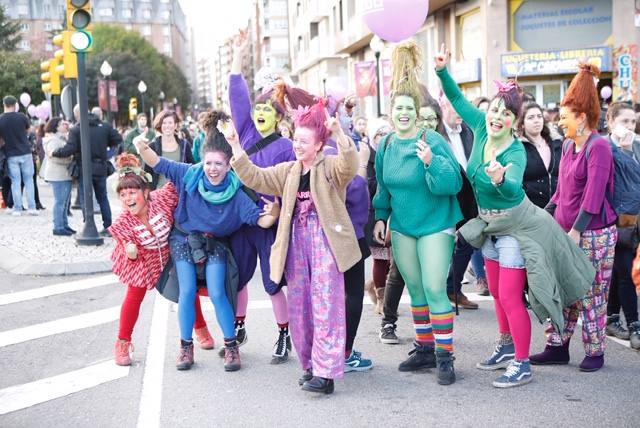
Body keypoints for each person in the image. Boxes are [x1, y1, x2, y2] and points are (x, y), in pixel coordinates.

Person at [435, 45, 595, 387]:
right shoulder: (479, 127)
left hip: (516, 226)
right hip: (490, 225)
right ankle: (506, 346)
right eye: (494, 110)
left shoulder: (514, 151)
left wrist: (500, 178)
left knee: (509, 295)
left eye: (505, 114)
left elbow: (513, 189)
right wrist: (442, 71)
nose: (496, 117)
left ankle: (522, 363)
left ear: (514, 121)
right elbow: (456, 99)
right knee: (494, 290)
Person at [230, 100, 360, 395]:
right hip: (296, 242)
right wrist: (237, 148)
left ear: (318, 144)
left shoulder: (329, 167)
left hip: (326, 241)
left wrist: (340, 134)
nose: (297, 146)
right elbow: (256, 177)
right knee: (300, 307)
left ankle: (326, 374)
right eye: (295, 140)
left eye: (304, 141)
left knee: (326, 305)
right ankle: (311, 365)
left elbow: (349, 165)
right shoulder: (288, 170)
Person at [134, 111, 280, 372]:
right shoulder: (189, 174)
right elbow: (157, 163)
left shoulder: (236, 193)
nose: (212, 169)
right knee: (187, 291)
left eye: (219, 165)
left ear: (228, 166)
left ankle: (231, 346)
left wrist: (275, 213)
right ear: (202, 162)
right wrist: (142, 147)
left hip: (215, 244)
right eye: (208, 163)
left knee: (217, 292)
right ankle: (185, 347)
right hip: (184, 239)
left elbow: (260, 220)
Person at [374, 41, 463, 385]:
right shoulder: (385, 145)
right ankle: (424, 348)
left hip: (436, 223)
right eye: (398, 109)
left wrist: (431, 163)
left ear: (416, 110)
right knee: (416, 289)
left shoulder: (433, 140)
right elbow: (383, 187)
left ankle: (444, 356)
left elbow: (452, 183)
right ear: (391, 113)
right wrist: (381, 216)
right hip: (403, 226)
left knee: (434, 288)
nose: (403, 114)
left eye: (409, 108)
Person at [226, 29, 308, 363]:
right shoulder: (244, 131)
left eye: (268, 110)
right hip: (242, 218)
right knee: (238, 277)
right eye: (258, 109)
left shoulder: (288, 147)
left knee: (274, 282)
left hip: (271, 225)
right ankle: (239, 325)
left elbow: (294, 186)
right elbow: (236, 94)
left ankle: (283, 332)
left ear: (278, 117)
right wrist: (238, 54)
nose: (260, 113)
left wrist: (277, 213)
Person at [530, 63, 618, 372]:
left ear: (582, 118)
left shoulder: (600, 147)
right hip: (566, 229)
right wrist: (547, 214)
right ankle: (557, 346)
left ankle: (595, 351)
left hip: (593, 233)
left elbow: (593, 196)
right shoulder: (568, 145)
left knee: (591, 292)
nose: (559, 122)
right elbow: (563, 190)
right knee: (562, 289)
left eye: (565, 117)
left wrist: (577, 230)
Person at [108, 154, 216, 365]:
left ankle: (200, 328)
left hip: (168, 253)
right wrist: (131, 252)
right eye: (123, 194)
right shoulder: (123, 221)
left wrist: (210, 160)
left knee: (187, 288)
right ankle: (122, 342)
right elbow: (128, 251)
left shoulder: (161, 199)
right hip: (143, 262)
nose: (128, 198)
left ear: (146, 192)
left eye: (133, 192)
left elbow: (182, 178)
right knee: (133, 296)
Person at [439, 93, 485, 306]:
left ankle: (453, 289)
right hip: (445, 196)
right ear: (443, 106)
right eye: (455, 107)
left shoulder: (468, 131)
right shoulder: (436, 133)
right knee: (442, 245)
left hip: (468, 196)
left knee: (467, 241)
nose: (460, 112)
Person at [602, 102, 640, 350]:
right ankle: (635, 324)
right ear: (611, 121)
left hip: (635, 218)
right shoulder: (604, 147)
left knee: (620, 271)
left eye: (633, 122)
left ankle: (612, 317)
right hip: (614, 219)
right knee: (625, 270)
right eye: (624, 121)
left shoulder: (636, 145)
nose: (629, 126)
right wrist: (624, 153)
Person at [52, 105, 122, 236]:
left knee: (85, 198)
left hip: (84, 168)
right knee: (103, 198)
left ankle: (89, 225)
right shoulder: (104, 126)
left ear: (77, 114)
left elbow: (70, 148)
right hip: (100, 167)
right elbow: (118, 139)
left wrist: (55, 153)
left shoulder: (77, 129)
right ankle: (108, 226)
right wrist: (105, 147)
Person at [516, 102, 562, 208]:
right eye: (531, 117)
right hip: (531, 209)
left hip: (558, 206)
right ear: (522, 123)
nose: (536, 120)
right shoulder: (518, 147)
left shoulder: (556, 143)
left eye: (539, 116)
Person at [0, 95, 37, 216]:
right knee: (29, 180)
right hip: (25, 152)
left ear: (4, 105)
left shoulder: (1, 119)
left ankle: (17, 208)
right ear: (15, 104)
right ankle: (32, 208)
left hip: (11, 154)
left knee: (15, 182)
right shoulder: (22, 116)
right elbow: (29, 130)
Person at [144, 110, 194, 190]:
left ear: (175, 125)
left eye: (170, 123)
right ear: (160, 125)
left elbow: (192, 169)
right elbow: (147, 173)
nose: (167, 126)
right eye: (164, 123)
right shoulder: (152, 146)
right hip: (158, 195)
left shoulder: (184, 145)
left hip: (180, 193)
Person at [42, 117, 74, 236]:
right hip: (58, 175)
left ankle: (64, 225)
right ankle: (58, 227)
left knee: (64, 203)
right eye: (61, 124)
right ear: (55, 126)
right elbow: (54, 156)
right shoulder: (53, 140)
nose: (63, 126)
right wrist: (69, 160)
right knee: (60, 202)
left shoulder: (59, 138)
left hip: (62, 174)